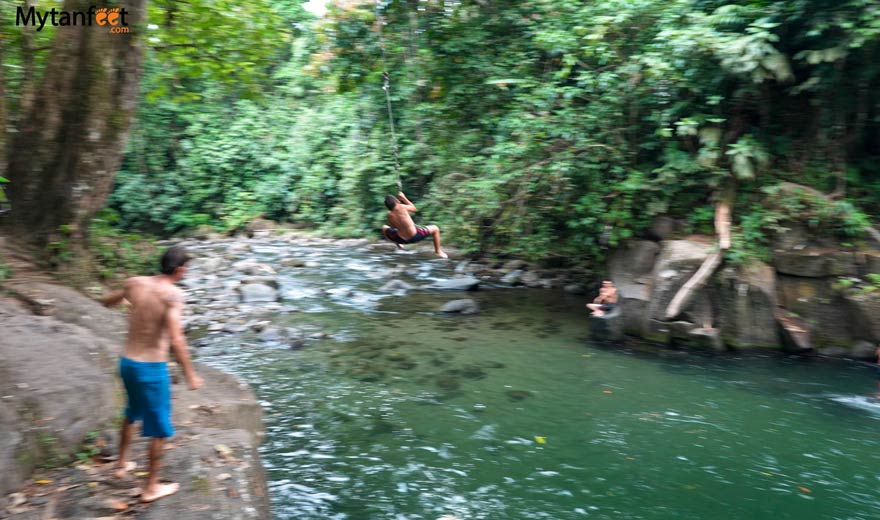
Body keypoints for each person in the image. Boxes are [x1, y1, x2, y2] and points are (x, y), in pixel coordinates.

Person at [101, 246, 204, 503]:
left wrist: (126, 305)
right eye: (186, 267)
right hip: (151, 368)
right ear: (180, 270)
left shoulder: (135, 283)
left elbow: (108, 300)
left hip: (127, 363)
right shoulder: (173, 295)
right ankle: (150, 488)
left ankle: (122, 464)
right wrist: (190, 374)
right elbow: (177, 339)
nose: (187, 271)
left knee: (131, 411)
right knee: (159, 428)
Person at [381, 191, 448, 258]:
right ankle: (438, 251)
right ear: (397, 201)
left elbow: (393, 227)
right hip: (415, 236)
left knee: (384, 227)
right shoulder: (402, 207)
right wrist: (404, 198)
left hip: (401, 239)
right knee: (435, 228)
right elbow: (414, 209)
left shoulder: (389, 215)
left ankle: (399, 245)